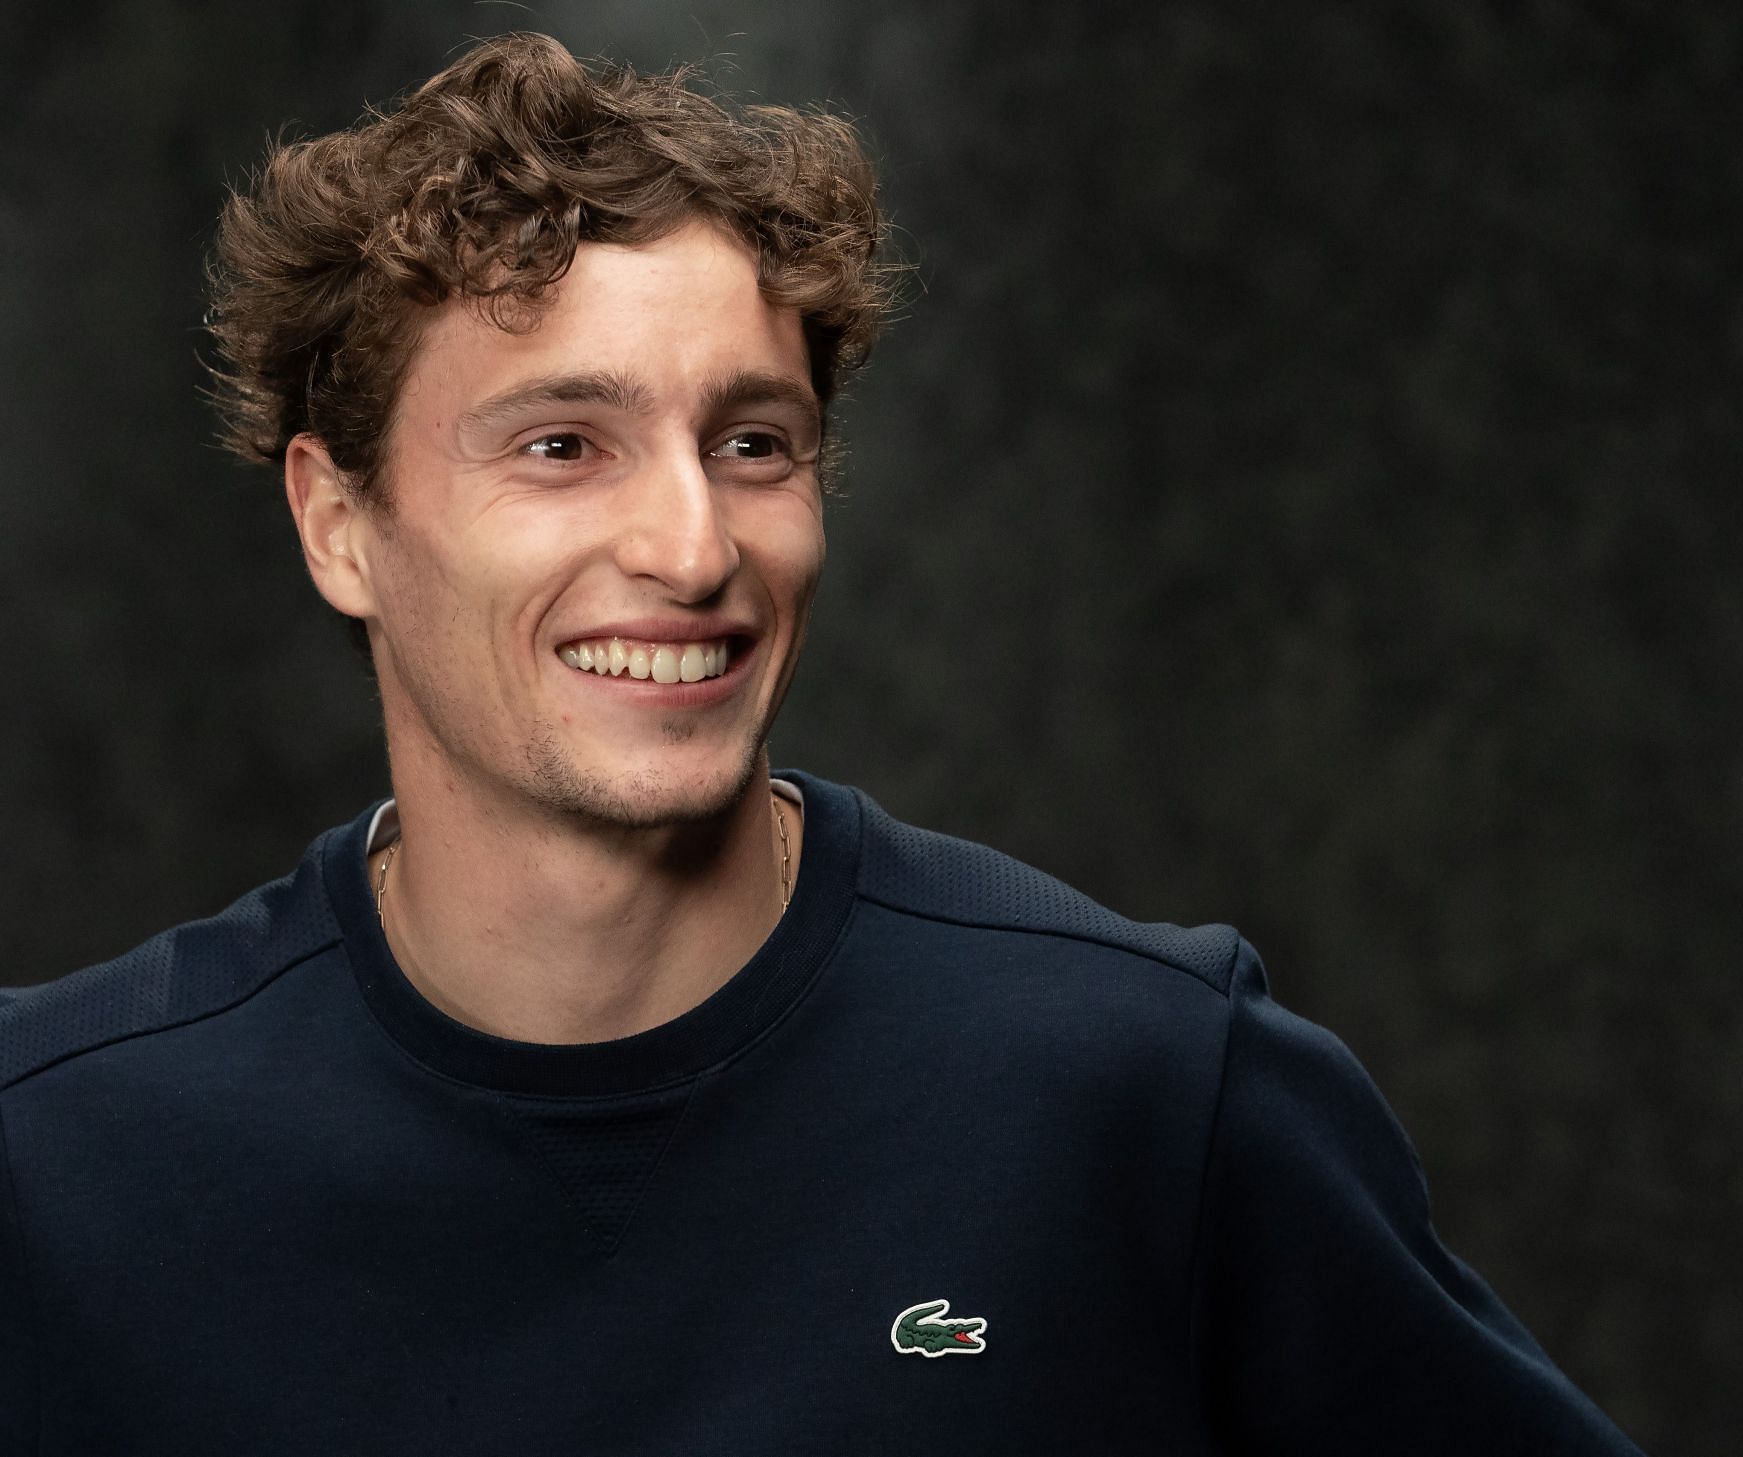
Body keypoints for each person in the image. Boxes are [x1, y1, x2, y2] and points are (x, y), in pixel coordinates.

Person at [0, 32, 1644, 1455]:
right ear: (338, 522)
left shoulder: (1141, 1087)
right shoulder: (59, 1156)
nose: (691, 542)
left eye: (753, 442)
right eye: (564, 444)